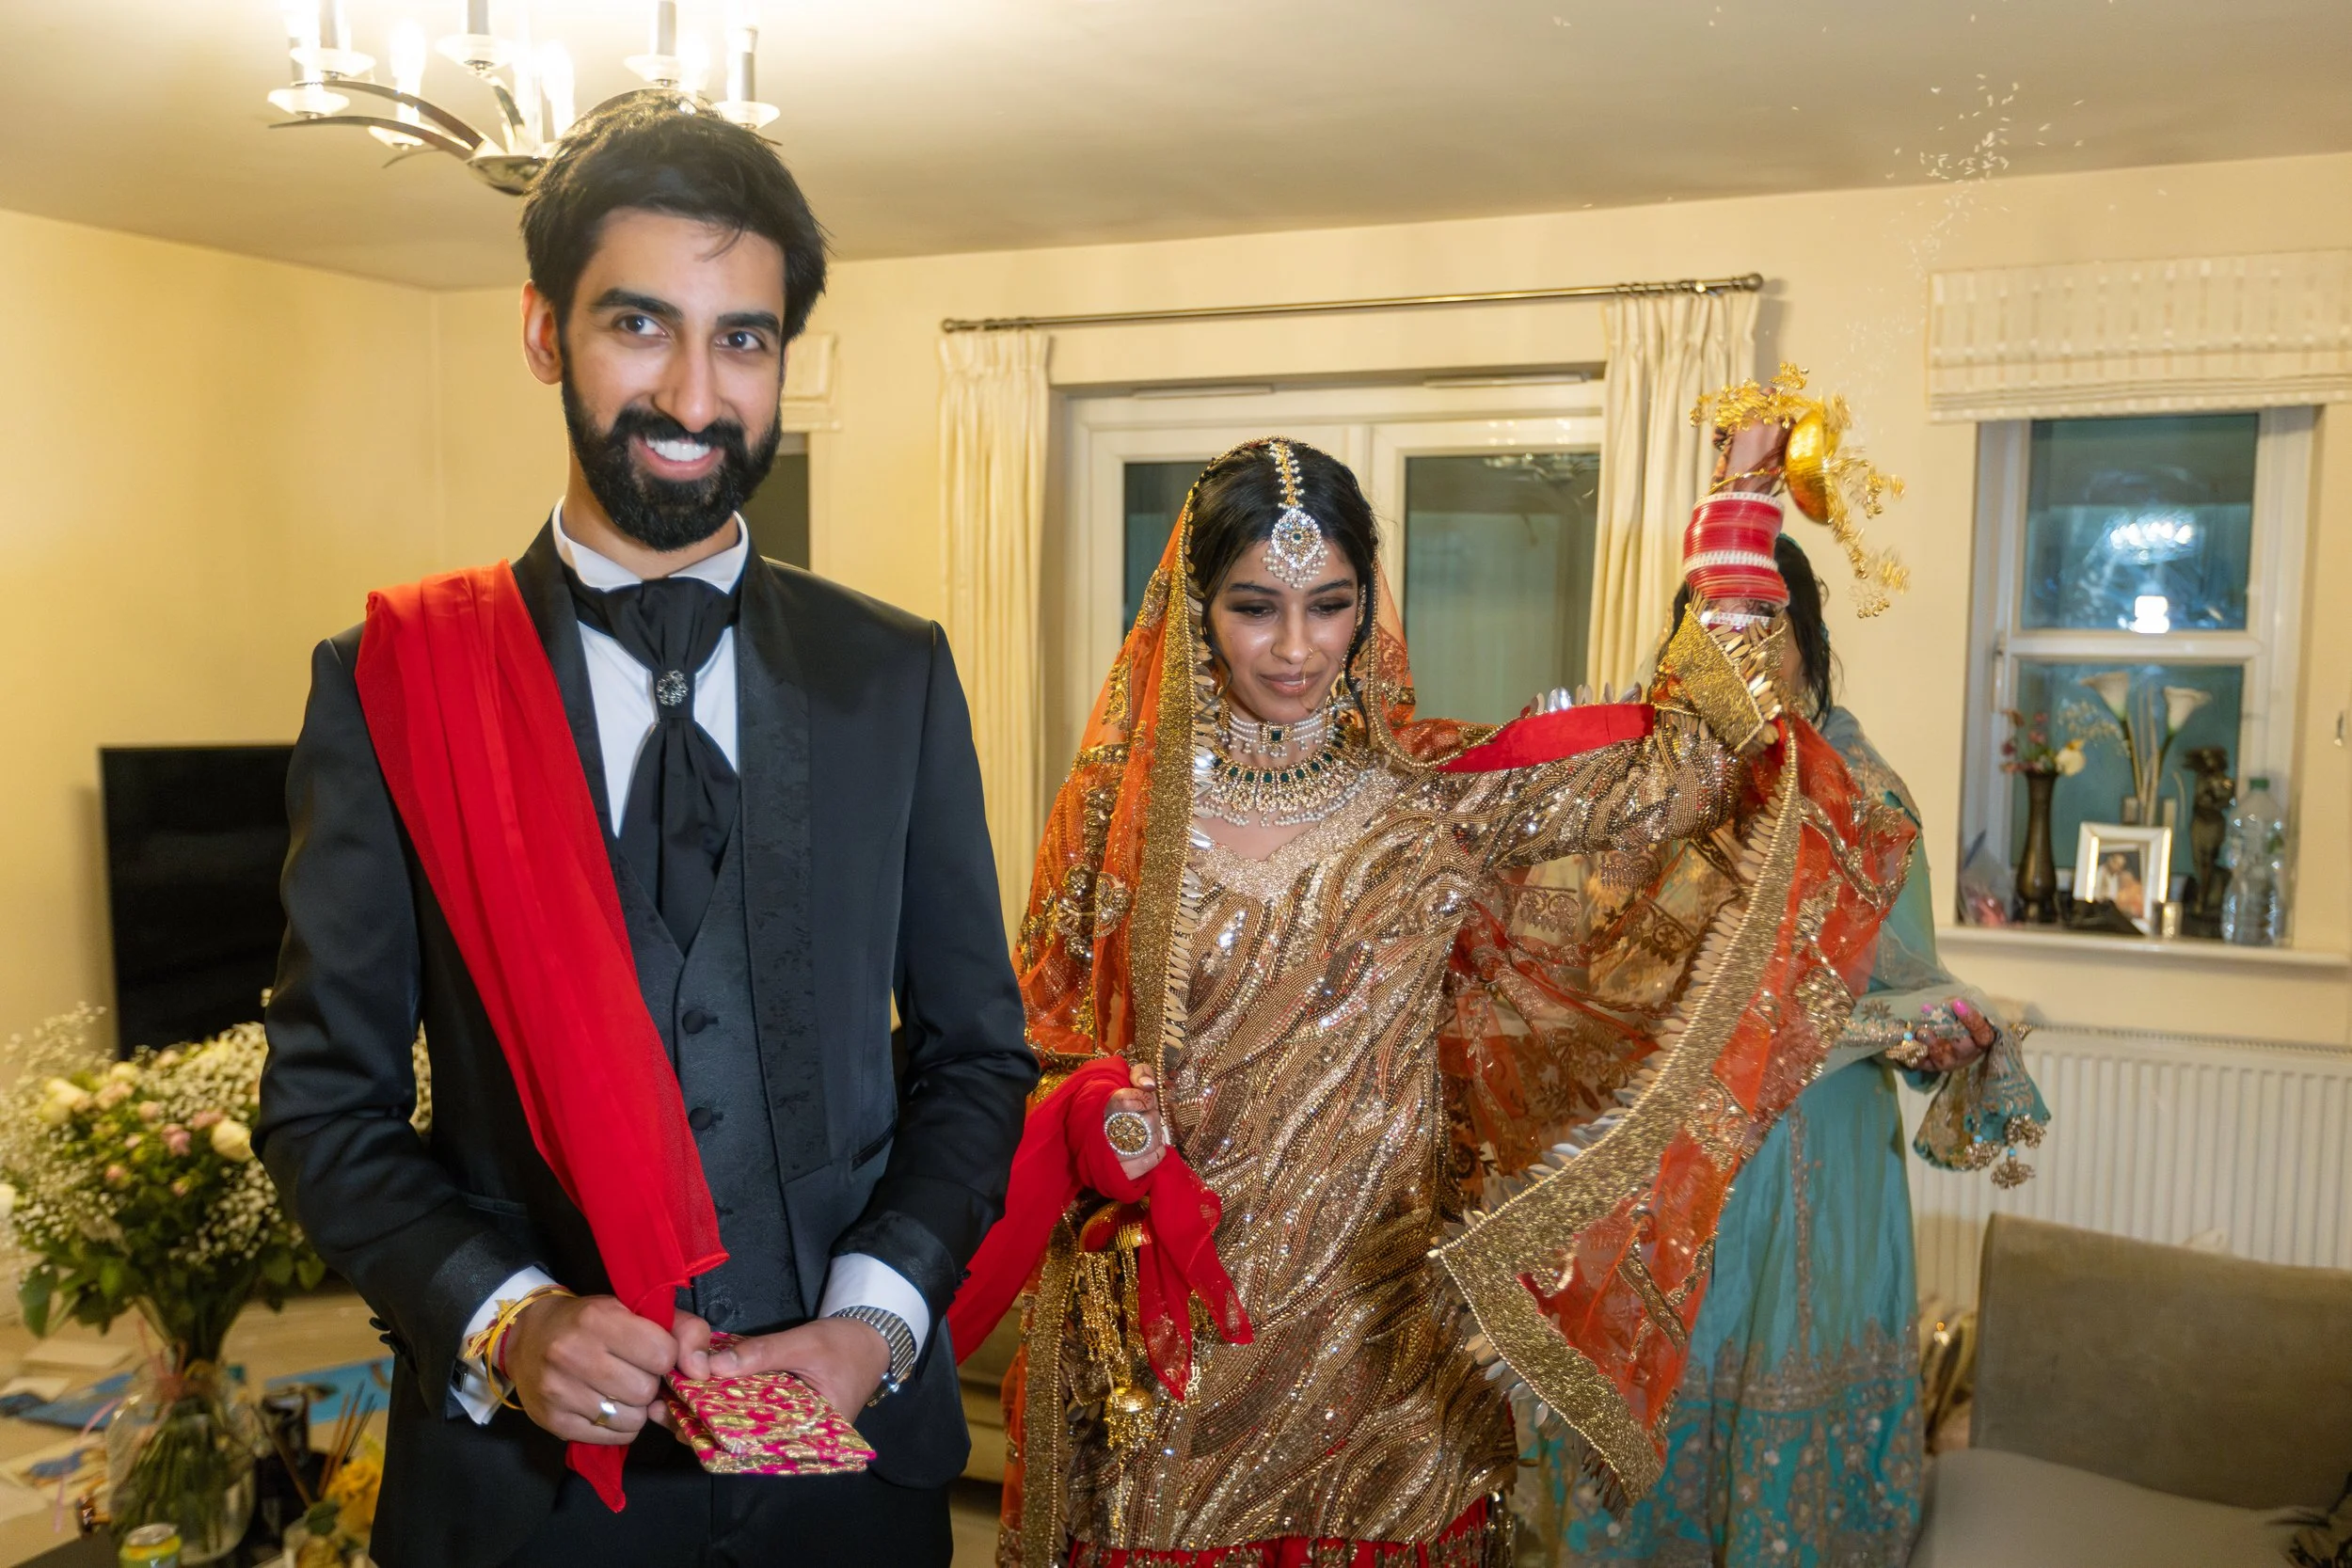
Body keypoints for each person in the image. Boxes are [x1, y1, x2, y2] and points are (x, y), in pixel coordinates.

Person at [257, 92, 1035, 1568]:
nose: (693, 392)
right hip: (528, 1504)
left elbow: (978, 1057)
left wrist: (877, 1318)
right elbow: (322, 1107)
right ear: (546, 333)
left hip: (851, 1483)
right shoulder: (391, 685)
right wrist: (510, 1314)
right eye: (639, 326)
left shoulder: (896, 672)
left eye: (741, 338)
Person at [942, 436, 1916, 1567]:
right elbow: (1031, 1044)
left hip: (1384, 1338)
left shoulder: (1435, 797)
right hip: (1178, 1339)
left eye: (1330, 602)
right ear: (1194, 607)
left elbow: (1696, 761)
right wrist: (1092, 1112)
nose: (1297, 646)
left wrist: (1735, 520)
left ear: (1369, 603)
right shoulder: (1118, 819)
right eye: (1257, 606)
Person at [1535, 534, 2051, 1568]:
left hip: (1815, 1154)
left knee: (1786, 1390)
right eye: (1709, 629)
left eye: (1763, 627)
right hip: (1669, 1145)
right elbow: (1588, 972)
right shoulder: (1647, 782)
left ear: (1809, 640)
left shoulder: (1864, 795)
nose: (1738, 654)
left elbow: (1902, 990)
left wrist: (1940, 1027)